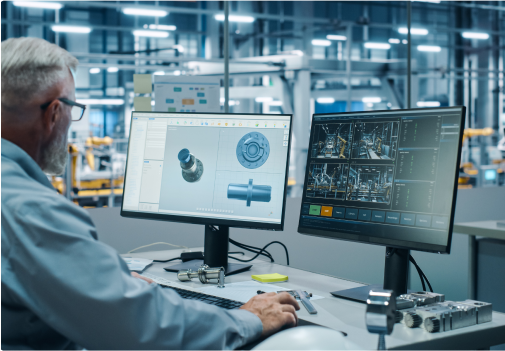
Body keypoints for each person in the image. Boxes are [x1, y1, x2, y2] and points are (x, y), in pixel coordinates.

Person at [1, 37, 299, 351]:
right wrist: (248, 319)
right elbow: (143, 328)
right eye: (74, 109)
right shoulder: (29, 210)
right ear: (54, 113)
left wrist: (111, 287)